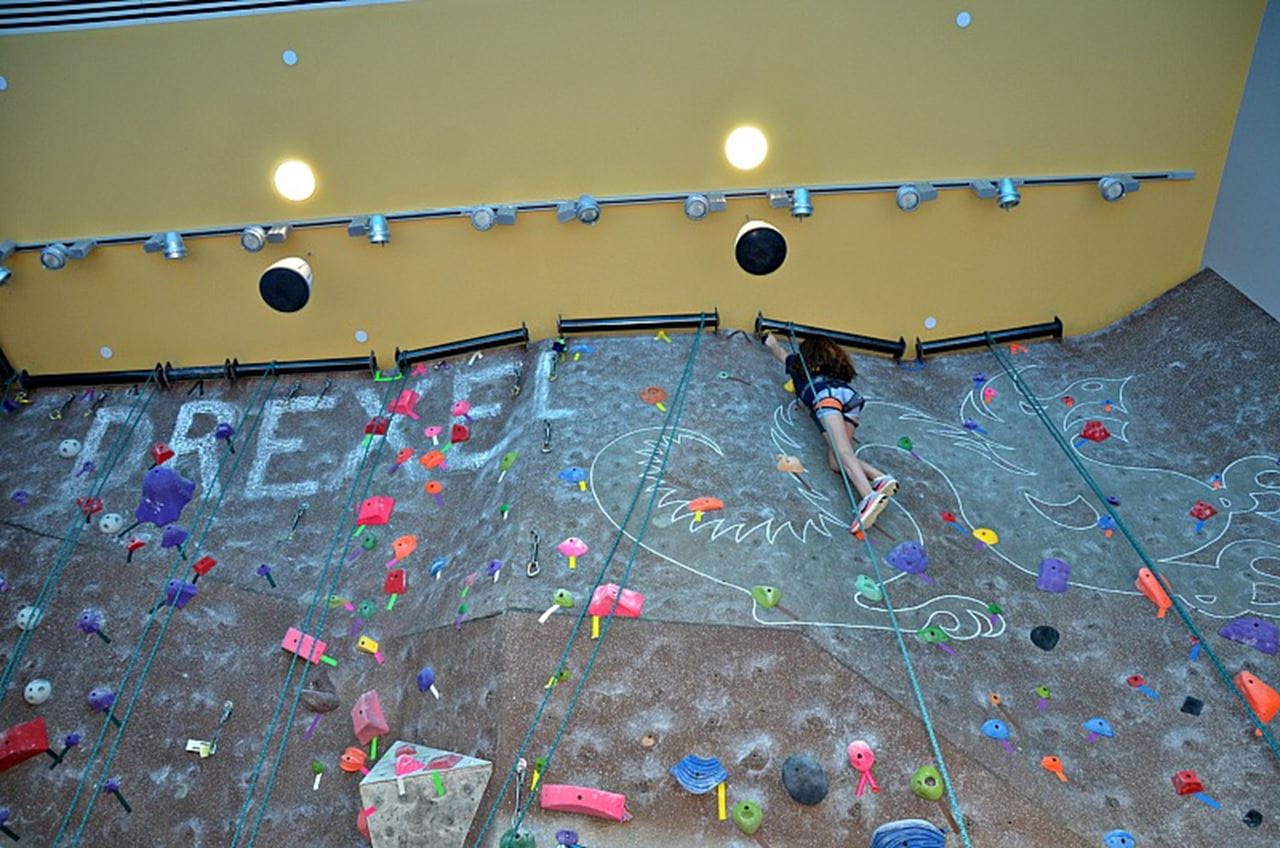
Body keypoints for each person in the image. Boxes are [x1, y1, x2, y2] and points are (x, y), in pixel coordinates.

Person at [764, 332, 898, 531]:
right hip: (849, 399)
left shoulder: (797, 365)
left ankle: (868, 496)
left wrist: (770, 342)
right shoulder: (831, 370)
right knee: (837, 460)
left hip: (826, 399)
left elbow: (780, 353)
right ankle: (880, 477)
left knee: (842, 450)